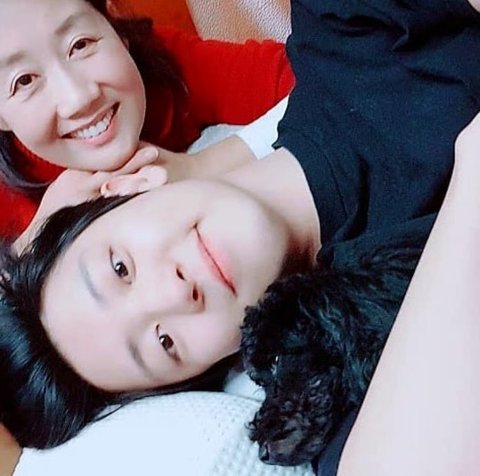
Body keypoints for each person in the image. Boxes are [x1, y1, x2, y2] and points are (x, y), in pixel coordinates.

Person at [2, 0, 480, 474]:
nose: (174, 293)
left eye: (120, 268)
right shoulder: (350, 365)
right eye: (165, 342)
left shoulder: (343, 25)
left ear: (126, 187)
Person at [0, 0, 294, 238]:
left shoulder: (163, 65)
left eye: (80, 45)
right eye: (23, 81)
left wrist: (200, 166)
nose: (78, 98)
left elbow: (315, 79)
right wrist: (34, 242)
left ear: (116, 28)